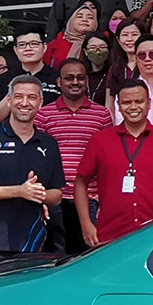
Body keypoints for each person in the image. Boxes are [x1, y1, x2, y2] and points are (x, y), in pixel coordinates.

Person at [0, 75, 64, 263]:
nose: (24, 103)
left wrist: (37, 193)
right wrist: (19, 191)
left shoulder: (49, 143)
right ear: (9, 101)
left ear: (40, 103)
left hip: (31, 244)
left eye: (32, 97)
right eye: (19, 96)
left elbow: (56, 194)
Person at [75, 80, 153, 246]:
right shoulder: (100, 140)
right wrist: (86, 224)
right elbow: (80, 183)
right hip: (110, 234)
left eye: (139, 101)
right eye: (127, 102)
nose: (133, 107)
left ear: (149, 103)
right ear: (119, 106)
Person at [34, 58, 112, 254]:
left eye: (80, 78)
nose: (75, 82)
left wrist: (103, 197)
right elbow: (38, 157)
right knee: (55, 255)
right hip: (54, 196)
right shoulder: (44, 115)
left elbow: (107, 160)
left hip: (90, 197)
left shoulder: (102, 114)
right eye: (69, 78)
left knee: (88, 253)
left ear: (87, 81)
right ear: (59, 82)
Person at [0, 29, 61, 113]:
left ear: (44, 47)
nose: (28, 48)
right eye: (22, 45)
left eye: (34, 44)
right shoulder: (2, 81)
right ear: (15, 50)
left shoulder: (58, 79)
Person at [43, 0, 99, 69]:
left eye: (90, 17)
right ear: (71, 21)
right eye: (79, 16)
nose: (84, 20)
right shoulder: (55, 45)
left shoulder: (100, 46)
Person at [107, 18, 144, 99]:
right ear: (118, 40)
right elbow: (109, 102)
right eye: (125, 35)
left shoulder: (151, 64)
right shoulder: (115, 68)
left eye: (134, 35)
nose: (129, 39)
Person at [79, 32, 113, 104]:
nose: (98, 51)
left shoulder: (114, 74)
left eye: (102, 47)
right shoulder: (80, 75)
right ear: (85, 51)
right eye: (92, 47)